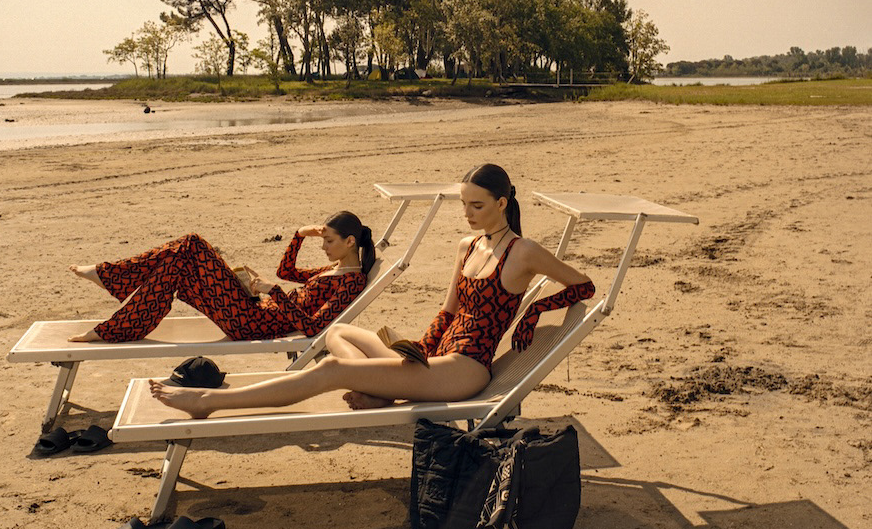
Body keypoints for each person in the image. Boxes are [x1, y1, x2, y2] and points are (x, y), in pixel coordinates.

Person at [148, 163, 595, 417]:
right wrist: (419, 350)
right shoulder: (468, 245)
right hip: (435, 358)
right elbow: (447, 312)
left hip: (466, 369)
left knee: (332, 369)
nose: (468, 214)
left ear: (502, 203)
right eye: (464, 204)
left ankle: (210, 401)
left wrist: (533, 313)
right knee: (339, 333)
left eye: (477, 205)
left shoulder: (524, 251)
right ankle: (383, 387)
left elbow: (583, 285)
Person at [67, 211, 375, 344]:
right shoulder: (333, 270)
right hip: (254, 308)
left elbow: (313, 327)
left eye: (329, 241)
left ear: (350, 242)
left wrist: (275, 292)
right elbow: (286, 272)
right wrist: (299, 235)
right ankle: (120, 324)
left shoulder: (352, 283)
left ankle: (110, 280)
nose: (323, 247)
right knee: (176, 264)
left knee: (192, 244)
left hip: (252, 322)